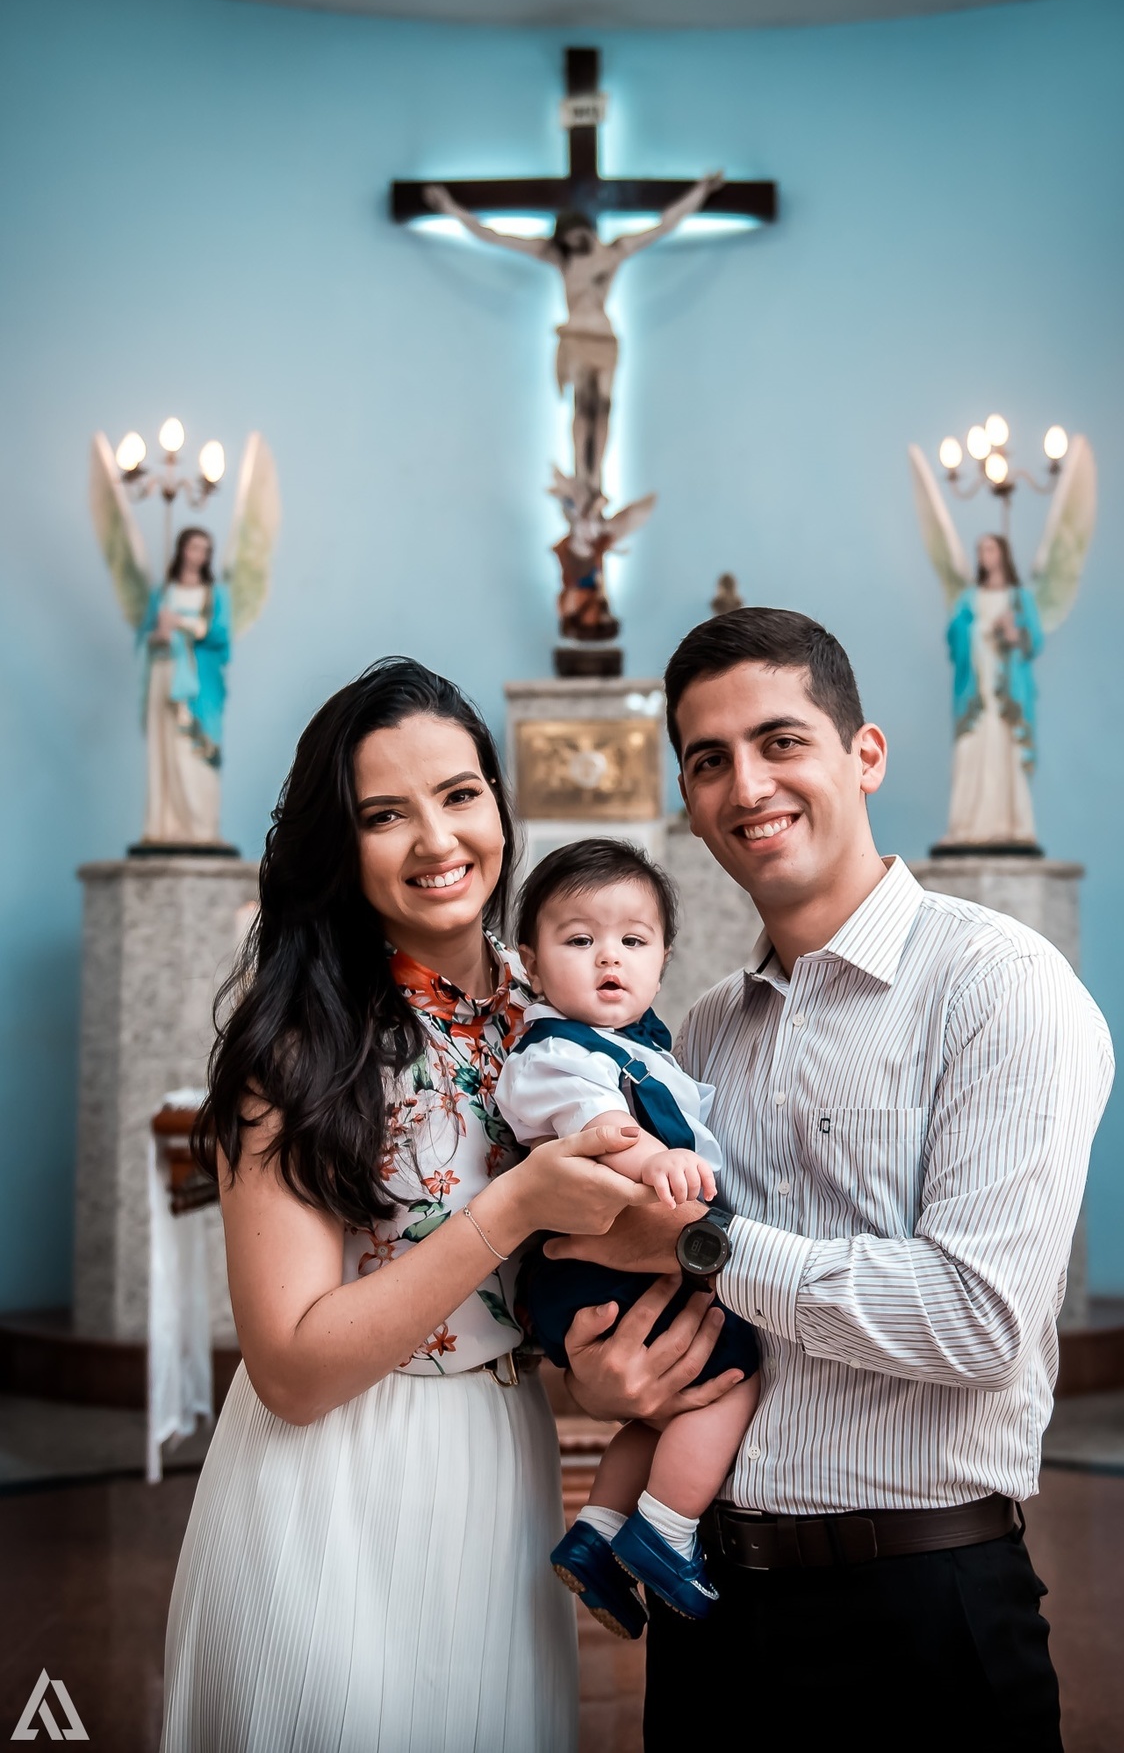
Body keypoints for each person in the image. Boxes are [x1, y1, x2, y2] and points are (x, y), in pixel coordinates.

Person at [547, 607, 1114, 1751]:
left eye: (780, 740)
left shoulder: (997, 986)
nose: (746, 783)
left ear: (864, 754)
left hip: (921, 1602)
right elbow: (653, 1305)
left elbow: (980, 1318)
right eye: (709, 761)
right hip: (710, 1605)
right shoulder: (696, 1034)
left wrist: (705, 1248)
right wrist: (612, 1376)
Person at [159, 656, 730, 1753]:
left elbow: (560, 1277)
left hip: (499, 1461)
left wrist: (597, 1370)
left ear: (500, 805)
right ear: (342, 840)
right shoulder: (303, 1042)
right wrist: (512, 1208)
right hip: (337, 1479)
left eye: (461, 795)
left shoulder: (546, 1004)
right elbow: (289, 1370)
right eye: (386, 813)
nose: (438, 840)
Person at [494, 839, 760, 1637]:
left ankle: (599, 1534)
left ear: (663, 957)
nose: (609, 957)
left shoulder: (646, 1045)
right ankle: (667, 1534)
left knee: (659, 1411)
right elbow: (600, 1128)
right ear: (531, 966)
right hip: (592, 1265)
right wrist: (658, 1158)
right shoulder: (554, 1054)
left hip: (631, 1267)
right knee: (733, 1376)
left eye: (633, 941)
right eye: (579, 941)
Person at [422, 175, 723, 491]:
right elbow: (493, 236)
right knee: (583, 406)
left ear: (587, 229)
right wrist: (449, 208)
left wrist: (700, 191)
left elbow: (664, 225)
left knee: (604, 407)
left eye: (577, 235)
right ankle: (581, 475)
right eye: (566, 239)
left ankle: (597, 479)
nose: (573, 243)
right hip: (576, 337)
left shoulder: (615, 252)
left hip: (605, 339)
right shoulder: (558, 257)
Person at [942, 531, 1044, 849]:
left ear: (1001, 553)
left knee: (1006, 751)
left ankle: (1012, 825)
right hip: (977, 693)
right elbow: (954, 636)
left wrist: (1014, 633)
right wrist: (978, 629)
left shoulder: (1018, 598)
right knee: (973, 751)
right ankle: (969, 826)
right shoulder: (970, 598)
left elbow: (1034, 641)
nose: (983, 555)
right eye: (980, 549)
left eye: (989, 548)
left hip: (1007, 693)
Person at [138, 525, 231, 845]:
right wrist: (160, 635)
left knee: (194, 751)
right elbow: (145, 640)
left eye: (205, 549)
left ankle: (201, 828)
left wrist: (183, 624)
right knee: (165, 747)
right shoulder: (162, 595)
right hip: (164, 675)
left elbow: (220, 637)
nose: (198, 555)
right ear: (181, 550)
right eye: (193, 548)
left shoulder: (214, 595)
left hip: (198, 684)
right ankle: (165, 825)